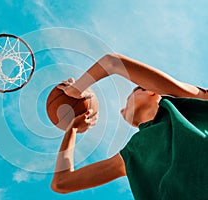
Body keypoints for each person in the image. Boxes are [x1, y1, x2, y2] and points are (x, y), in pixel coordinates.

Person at [50, 54, 208, 200]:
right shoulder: (131, 154)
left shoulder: (193, 102)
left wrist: (77, 89)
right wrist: (72, 129)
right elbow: (61, 182)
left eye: (131, 94)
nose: (121, 109)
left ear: (151, 91)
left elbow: (112, 62)